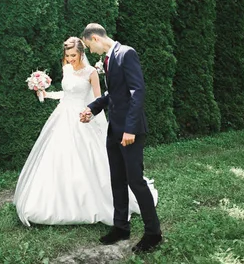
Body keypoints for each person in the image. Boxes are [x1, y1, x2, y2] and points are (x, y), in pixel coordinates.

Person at [14, 37, 157, 227]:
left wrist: (99, 123)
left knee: (92, 161)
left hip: (83, 118)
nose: (71, 59)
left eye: (74, 55)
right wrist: (46, 93)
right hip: (62, 118)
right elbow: (67, 94)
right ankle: (52, 202)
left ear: (82, 52)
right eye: (67, 55)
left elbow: (100, 98)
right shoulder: (66, 69)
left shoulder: (92, 72)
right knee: (57, 159)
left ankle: (98, 205)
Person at [80, 23, 162, 253]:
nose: (91, 51)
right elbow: (113, 93)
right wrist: (92, 108)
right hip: (113, 130)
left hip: (129, 131)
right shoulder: (108, 59)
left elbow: (138, 91)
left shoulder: (126, 53)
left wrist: (130, 129)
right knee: (117, 179)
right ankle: (121, 227)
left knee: (135, 180)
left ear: (95, 38)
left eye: (89, 46)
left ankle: (153, 234)